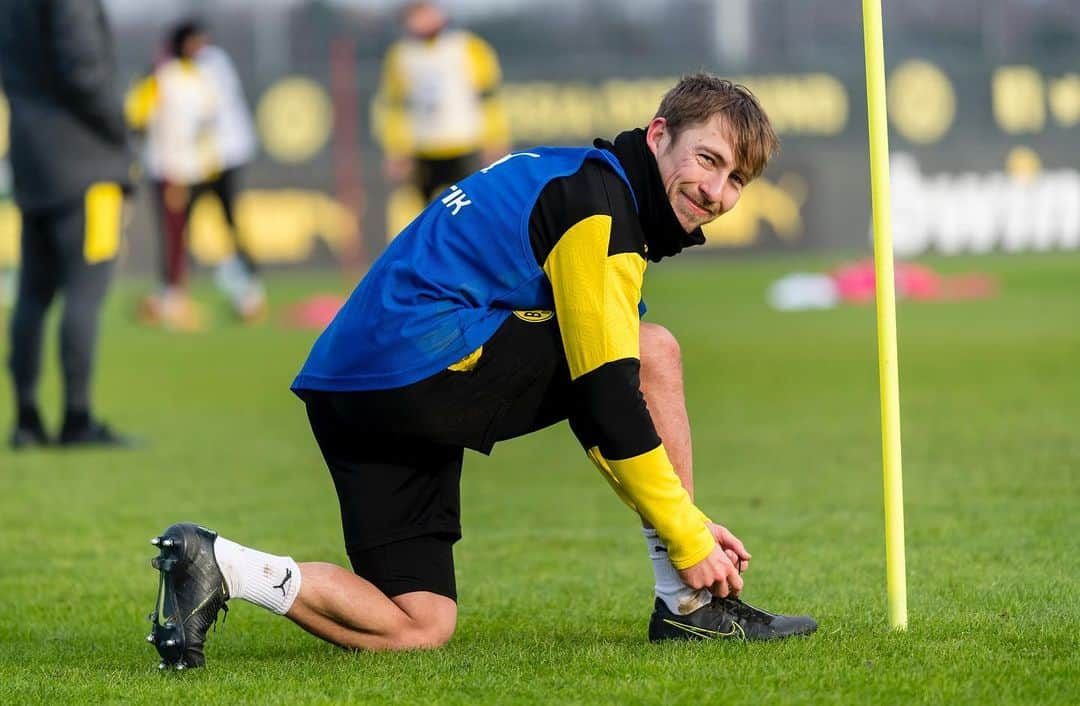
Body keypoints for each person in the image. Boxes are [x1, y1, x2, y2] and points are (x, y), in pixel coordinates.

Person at [146, 74, 817, 670]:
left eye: (736, 180)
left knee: (420, 624)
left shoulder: (581, 181)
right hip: (414, 367)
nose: (716, 192)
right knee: (653, 353)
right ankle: (689, 606)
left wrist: (682, 523)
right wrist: (686, 535)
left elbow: (599, 407)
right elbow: (609, 394)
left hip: (349, 389)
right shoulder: (601, 204)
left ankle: (224, 565)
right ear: (659, 134)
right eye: (708, 159)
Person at [1, 0, 134, 448]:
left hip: (31, 159)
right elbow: (82, 68)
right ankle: (77, 419)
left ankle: (26, 419)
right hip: (86, 162)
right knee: (86, 287)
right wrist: (121, 126)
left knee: (33, 294)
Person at [126, 20, 265, 331]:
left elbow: (209, 120)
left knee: (221, 227)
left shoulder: (203, 74)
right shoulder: (160, 76)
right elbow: (137, 116)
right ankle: (172, 298)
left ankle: (244, 289)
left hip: (200, 168)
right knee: (174, 235)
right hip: (169, 169)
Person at [372, 0, 509, 205]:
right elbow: (394, 107)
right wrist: (397, 150)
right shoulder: (400, 56)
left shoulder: (468, 47)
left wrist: (495, 139)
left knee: (472, 207)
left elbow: (489, 99)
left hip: (465, 143)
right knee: (424, 213)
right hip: (423, 147)